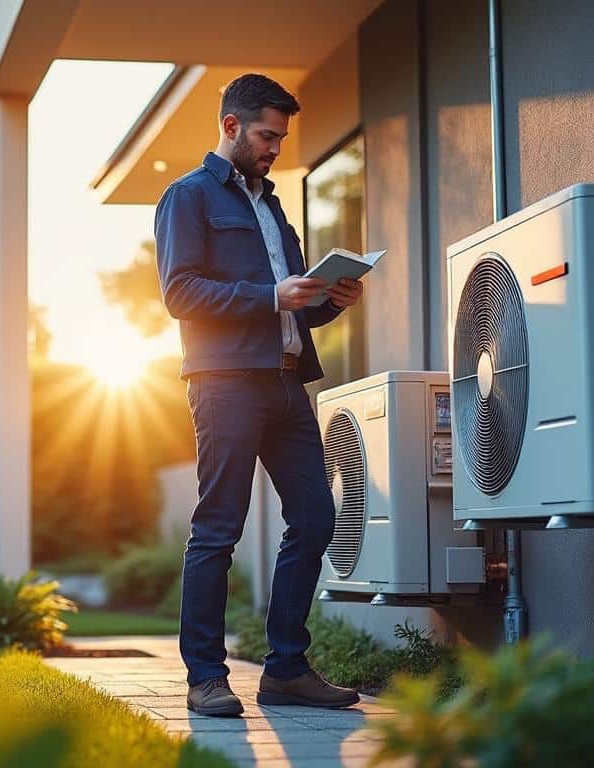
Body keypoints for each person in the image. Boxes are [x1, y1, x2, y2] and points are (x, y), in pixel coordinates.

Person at [153, 73, 365, 717]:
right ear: (231, 126)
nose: (275, 147)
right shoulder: (186, 197)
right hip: (225, 383)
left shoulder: (273, 205)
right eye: (267, 135)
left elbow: (292, 305)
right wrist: (273, 295)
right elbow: (179, 293)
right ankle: (205, 678)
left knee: (317, 518)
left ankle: (287, 668)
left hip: (287, 381)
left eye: (281, 137)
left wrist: (331, 300)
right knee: (218, 529)